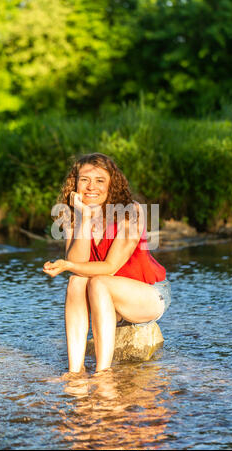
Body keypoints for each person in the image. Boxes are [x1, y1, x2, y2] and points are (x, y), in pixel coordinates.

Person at [43, 153, 171, 374]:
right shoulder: (72, 215)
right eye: (84, 180)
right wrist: (83, 218)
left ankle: (103, 373)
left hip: (148, 295)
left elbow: (110, 267)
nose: (91, 186)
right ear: (75, 184)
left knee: (98, 281)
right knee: (76, 281)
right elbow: (77, 262)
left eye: (100, 180)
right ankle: (75, 371)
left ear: (112, 184)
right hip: (104, 298)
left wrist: (66, 265)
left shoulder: (131, 211)